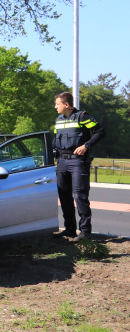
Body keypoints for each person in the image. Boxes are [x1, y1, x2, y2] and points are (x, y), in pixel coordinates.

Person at [52, 92, 105, 241]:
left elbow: (100, 132)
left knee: (80, 196)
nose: (55, 106)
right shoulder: (59, 119)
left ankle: (85, 232)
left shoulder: (83, 117)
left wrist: (86, 145)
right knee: (64, 196)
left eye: (57, 104)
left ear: (66, 104)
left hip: (78, 162)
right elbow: (55, 140)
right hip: (61, 162)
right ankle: (69, 229)